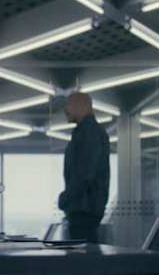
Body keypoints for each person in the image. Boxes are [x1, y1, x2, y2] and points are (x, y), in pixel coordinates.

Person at [57, 92, 110, 243]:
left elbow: (86, 172)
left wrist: (66, 198)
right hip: (84, 208)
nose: (65, 109)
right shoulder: (85, 131)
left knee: (83, 254)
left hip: (84, 209)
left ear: (83, 106)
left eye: (69, 105)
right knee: (85, 253)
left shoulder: (89, 132)